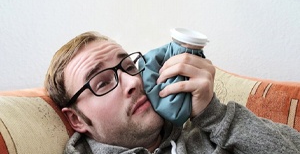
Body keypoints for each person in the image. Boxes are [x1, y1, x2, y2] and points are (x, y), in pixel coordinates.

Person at [45, 31, 300, 154]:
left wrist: (216, 116)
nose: (132, 82)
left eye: (128, 66)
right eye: (102, 83)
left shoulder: (209, 133)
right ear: (77, 119)